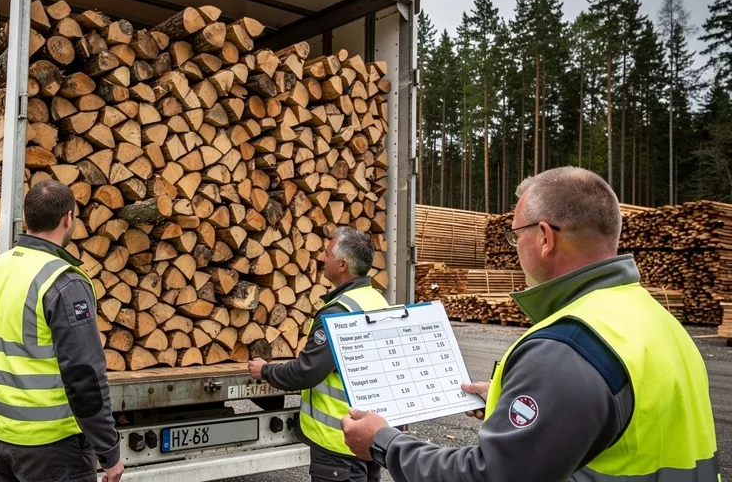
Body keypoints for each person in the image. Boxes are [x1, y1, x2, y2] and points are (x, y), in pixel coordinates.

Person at [341, 166, 720, 481]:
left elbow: (489, 476)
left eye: (514, 235)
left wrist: (384, 443)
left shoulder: (566, 347)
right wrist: (514, 399)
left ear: (543, 238)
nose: (514, 247)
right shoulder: (657, 319)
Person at [0, 180, 123, 482]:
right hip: (52, 447)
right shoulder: (63, 282)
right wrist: (110, 453)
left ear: (26, 219)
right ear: (68, 218)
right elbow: (84, 379)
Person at [248, 226, 389, 482]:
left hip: (338, 442)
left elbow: (307, 372)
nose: (322, 258)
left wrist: (265, 370)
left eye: (327, 254)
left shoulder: (338, 313)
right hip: (369, 436)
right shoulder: (378, 301)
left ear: (343, 265)